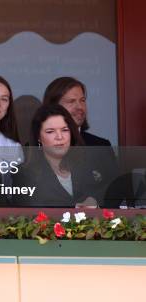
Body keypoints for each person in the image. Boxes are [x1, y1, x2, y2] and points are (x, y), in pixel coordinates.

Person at [43, 77, 124, 206]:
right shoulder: (36, 147)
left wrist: (95, 200)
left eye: (82, 101)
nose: (80, 107)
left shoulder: (100, 146)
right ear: (54, 107)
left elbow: (116, 188)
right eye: (71, 101)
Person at [13, 104, 101, 207]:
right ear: (39, 137)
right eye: (50, 131)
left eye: (64, 130)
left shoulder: (84, 165)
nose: (59, 137)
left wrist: (93, 200)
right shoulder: (25, 174)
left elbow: (99, 194)